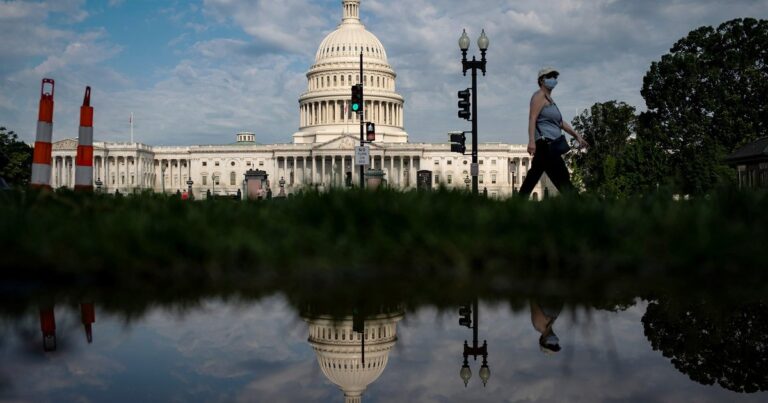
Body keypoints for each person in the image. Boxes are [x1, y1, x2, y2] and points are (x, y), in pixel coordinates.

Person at [519, 67, 588, 197]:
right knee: (560, 177)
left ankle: (517, 202)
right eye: (550, 76)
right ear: (542, 80)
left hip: (551, 145)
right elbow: (532, 118)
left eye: (555, 77)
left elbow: (560, 122)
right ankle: (578, 204)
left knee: (539, 175)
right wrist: (531, 141)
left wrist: (577, 135)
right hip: (545, 144)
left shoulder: (550, 100)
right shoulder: (539, 96)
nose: (553, 79)